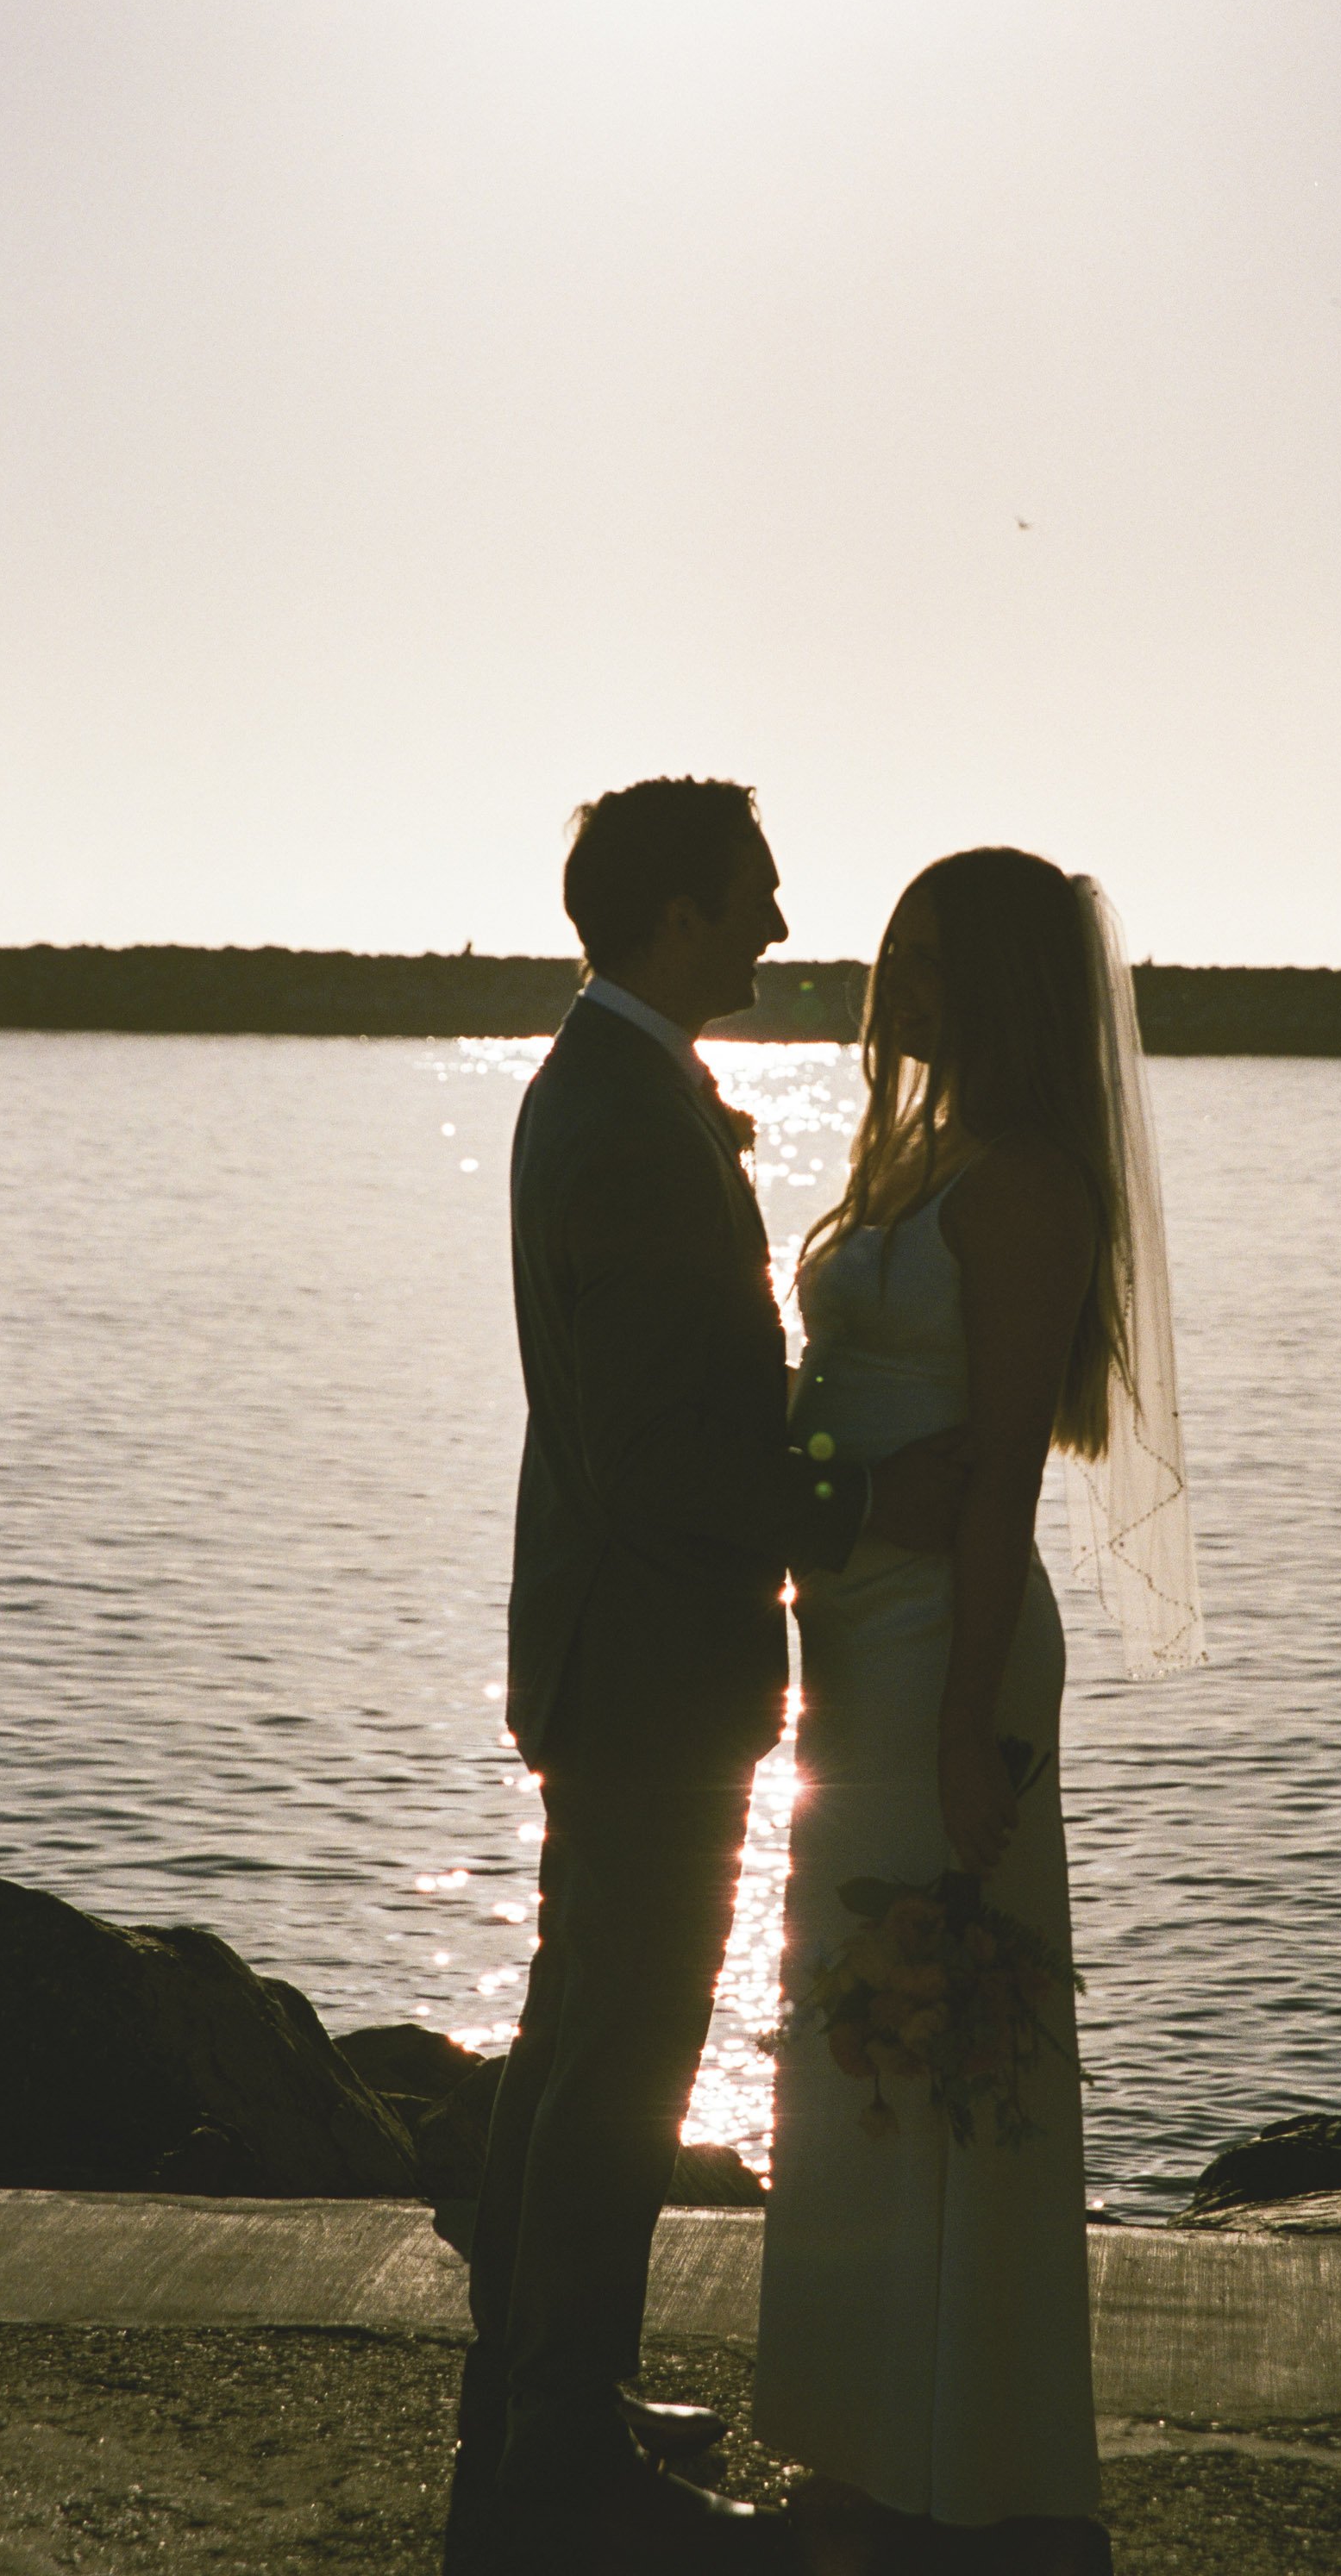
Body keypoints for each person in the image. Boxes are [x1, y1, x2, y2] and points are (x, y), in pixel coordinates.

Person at [445, 779, 969, 2575]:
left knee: (570, 2029)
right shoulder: (630, 1122)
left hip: (600, 1643)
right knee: (621, 2053)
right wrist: (859, 1495)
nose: (772, 914)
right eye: (747, 890)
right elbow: (686, 1457)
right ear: (673, 910)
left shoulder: (598, 1087)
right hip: (655, 1660)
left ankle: (529, 2399)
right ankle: (555, 2454)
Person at [755, 848, 1204, 2575]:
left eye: (938, 960)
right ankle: (867, 2427)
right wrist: (826, 1495)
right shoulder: (909, 1156)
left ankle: (972, 2449)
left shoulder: (1021, 1185)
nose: (901, 985)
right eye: (897, 953)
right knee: (849, 2022)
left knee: (946, 2031)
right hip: (849, 1630)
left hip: (951, 1642)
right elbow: (817, 1422)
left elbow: (1003, 1472)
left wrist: (959, 1730)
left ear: (1011, 982)